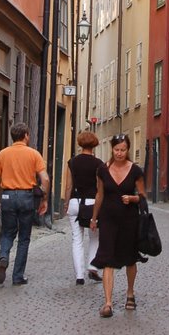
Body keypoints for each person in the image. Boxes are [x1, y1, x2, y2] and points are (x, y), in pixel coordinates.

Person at [90, 133, 146, 317]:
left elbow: (143, 198)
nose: (119, 153)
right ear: (112, 149)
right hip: (108, 219)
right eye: (116, 150)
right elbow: (99, 195)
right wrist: (94, 218)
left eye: (123, 150)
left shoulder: (136, 171)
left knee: (130, 258)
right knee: (107, 258)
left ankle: (130, 293)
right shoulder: (102, 170)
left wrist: (132, 198)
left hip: (130, 220)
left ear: (128, 150)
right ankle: (108, 303)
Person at [0, 122, 49, 286]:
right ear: (26, 136)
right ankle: (17, 276)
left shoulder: (3, 154)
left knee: (7, 233)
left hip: (7, 196)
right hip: (26, 196)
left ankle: (3, 257)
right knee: (24, 237)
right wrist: (44, 199)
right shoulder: (33, 154)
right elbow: (45, 178)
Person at [63, 130, 103, 285]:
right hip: (92, 203)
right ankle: (92, 267)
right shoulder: (99, 164)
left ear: (80, 144)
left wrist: (66, 203)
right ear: (94, 145)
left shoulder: (72, 162)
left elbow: (68, 186)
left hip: (75, 202)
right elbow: (100, 189)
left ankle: (79, 276)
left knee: (76, 239)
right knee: (94, 237)